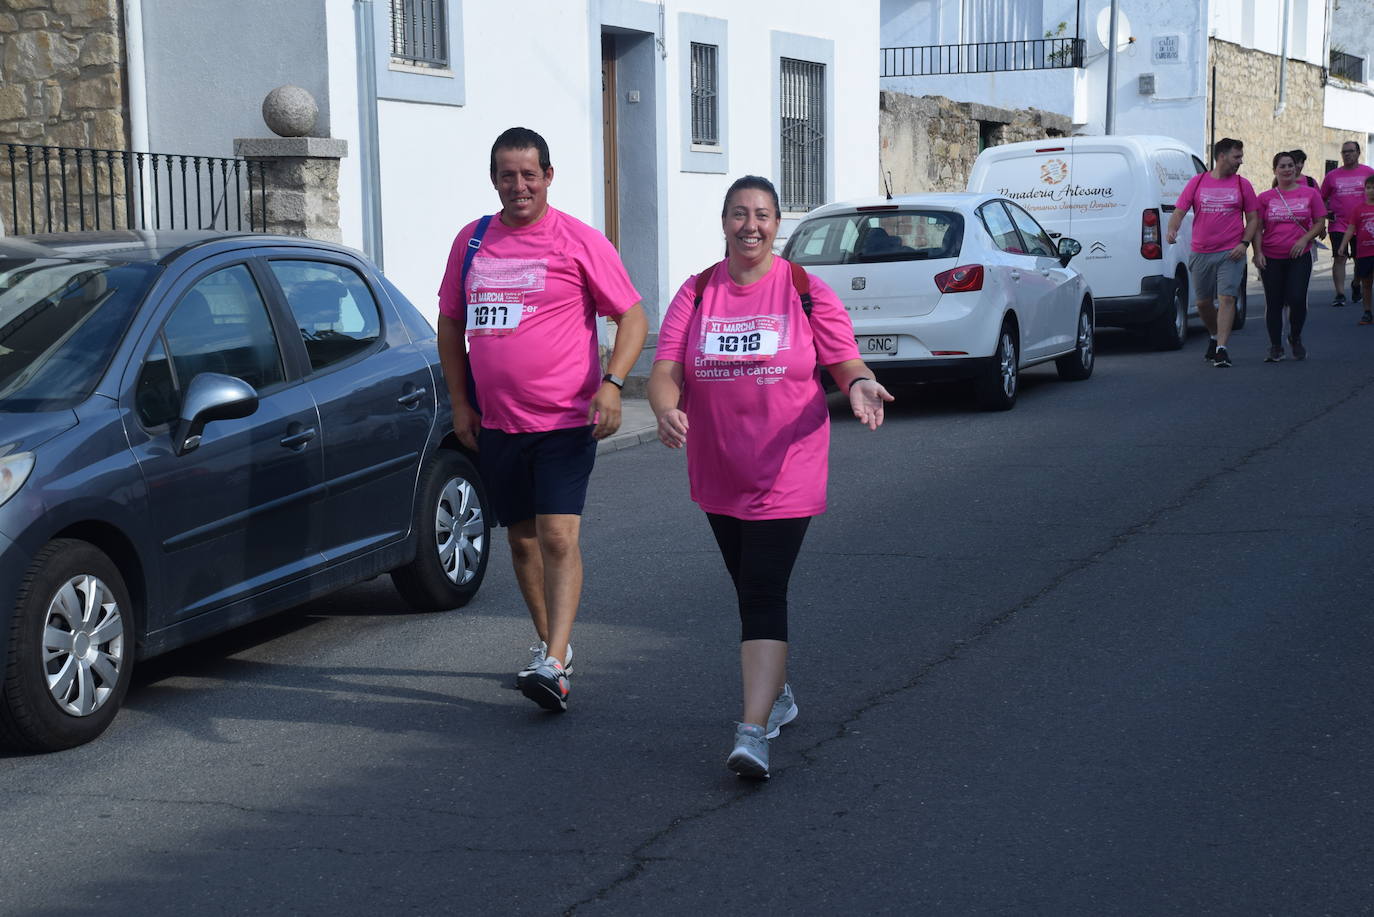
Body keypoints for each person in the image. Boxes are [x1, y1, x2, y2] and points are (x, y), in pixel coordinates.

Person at [648, 176, 893, 780]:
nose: (749, 225)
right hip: (718, 467)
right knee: (745, 587)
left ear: (777, 224)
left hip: (789, 465)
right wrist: (664, 407)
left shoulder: (805, 290)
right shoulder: (699, 290)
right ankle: (777, 694)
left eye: (761, 215)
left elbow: (844, 361)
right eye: (738, 214)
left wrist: (861, 386)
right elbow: (665, 368)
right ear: (724, 221)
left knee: (761, 589)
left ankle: (753, 731)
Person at [436, 127, 648, 713]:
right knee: (523, 541)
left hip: (563, 417)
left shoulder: (578, 240)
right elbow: (451, 325)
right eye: (508, 174)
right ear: (494, 179)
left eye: (530, 174)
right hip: (498, 421)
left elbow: (631, 314)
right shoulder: (473, 242)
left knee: (557, 535)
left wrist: (611, 384)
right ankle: (549, 644)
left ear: (548, 177)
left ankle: (554, 662)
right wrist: (460, 403)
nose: (519, 185)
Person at [1165, 138, 1260, 368]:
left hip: (1231, 252)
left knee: (1227, 298)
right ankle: (1214, 335)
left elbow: (1254, 218)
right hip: (1201, 252)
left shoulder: (1242, 184)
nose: (1241, 161)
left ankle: (1221, 349)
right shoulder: (1198, 182)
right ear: (1222, 157)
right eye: (1237, 156)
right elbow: (1179, 210)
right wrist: (1172, 229)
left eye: (1241, 156)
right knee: (1203, 304)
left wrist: (1244, 244)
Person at [1253, 152, 1326, 361]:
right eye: (1282, 166)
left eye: (1290, 165)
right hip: (1271, 255)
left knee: (1296, 298)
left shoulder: (1310, 194)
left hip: (1300, 255)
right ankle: (1276, 346)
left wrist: (1304, 239)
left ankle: (1295, 336)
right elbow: (1257, 228)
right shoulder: (1265, 198)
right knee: (1274, 302)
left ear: (1296, 169)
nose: (1287, 169)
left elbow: (1320, 222)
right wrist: (1257, 253)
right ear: (1275, 170)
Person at [1320, 140, 1374, 307]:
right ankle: (1340, 294)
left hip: (1363, 224)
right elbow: (1321, 199)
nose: (1347, 154)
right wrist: (1322, 220)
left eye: (1350, 151)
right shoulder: (1332, 176)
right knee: (1339, 257)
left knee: (1361, 259)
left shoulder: (1368, 172)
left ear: (1358, 153)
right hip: (1339, 223)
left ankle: (1356, 283)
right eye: (1344, 152)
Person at [1336, 176, 1374, 325]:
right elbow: (1351, 228)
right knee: (1366, 283)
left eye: (1373, 187)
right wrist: (1342, 245)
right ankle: (1367, 311)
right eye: (1368, 187)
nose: (1371, 191)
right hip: (1364, 252)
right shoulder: (1359, 209)